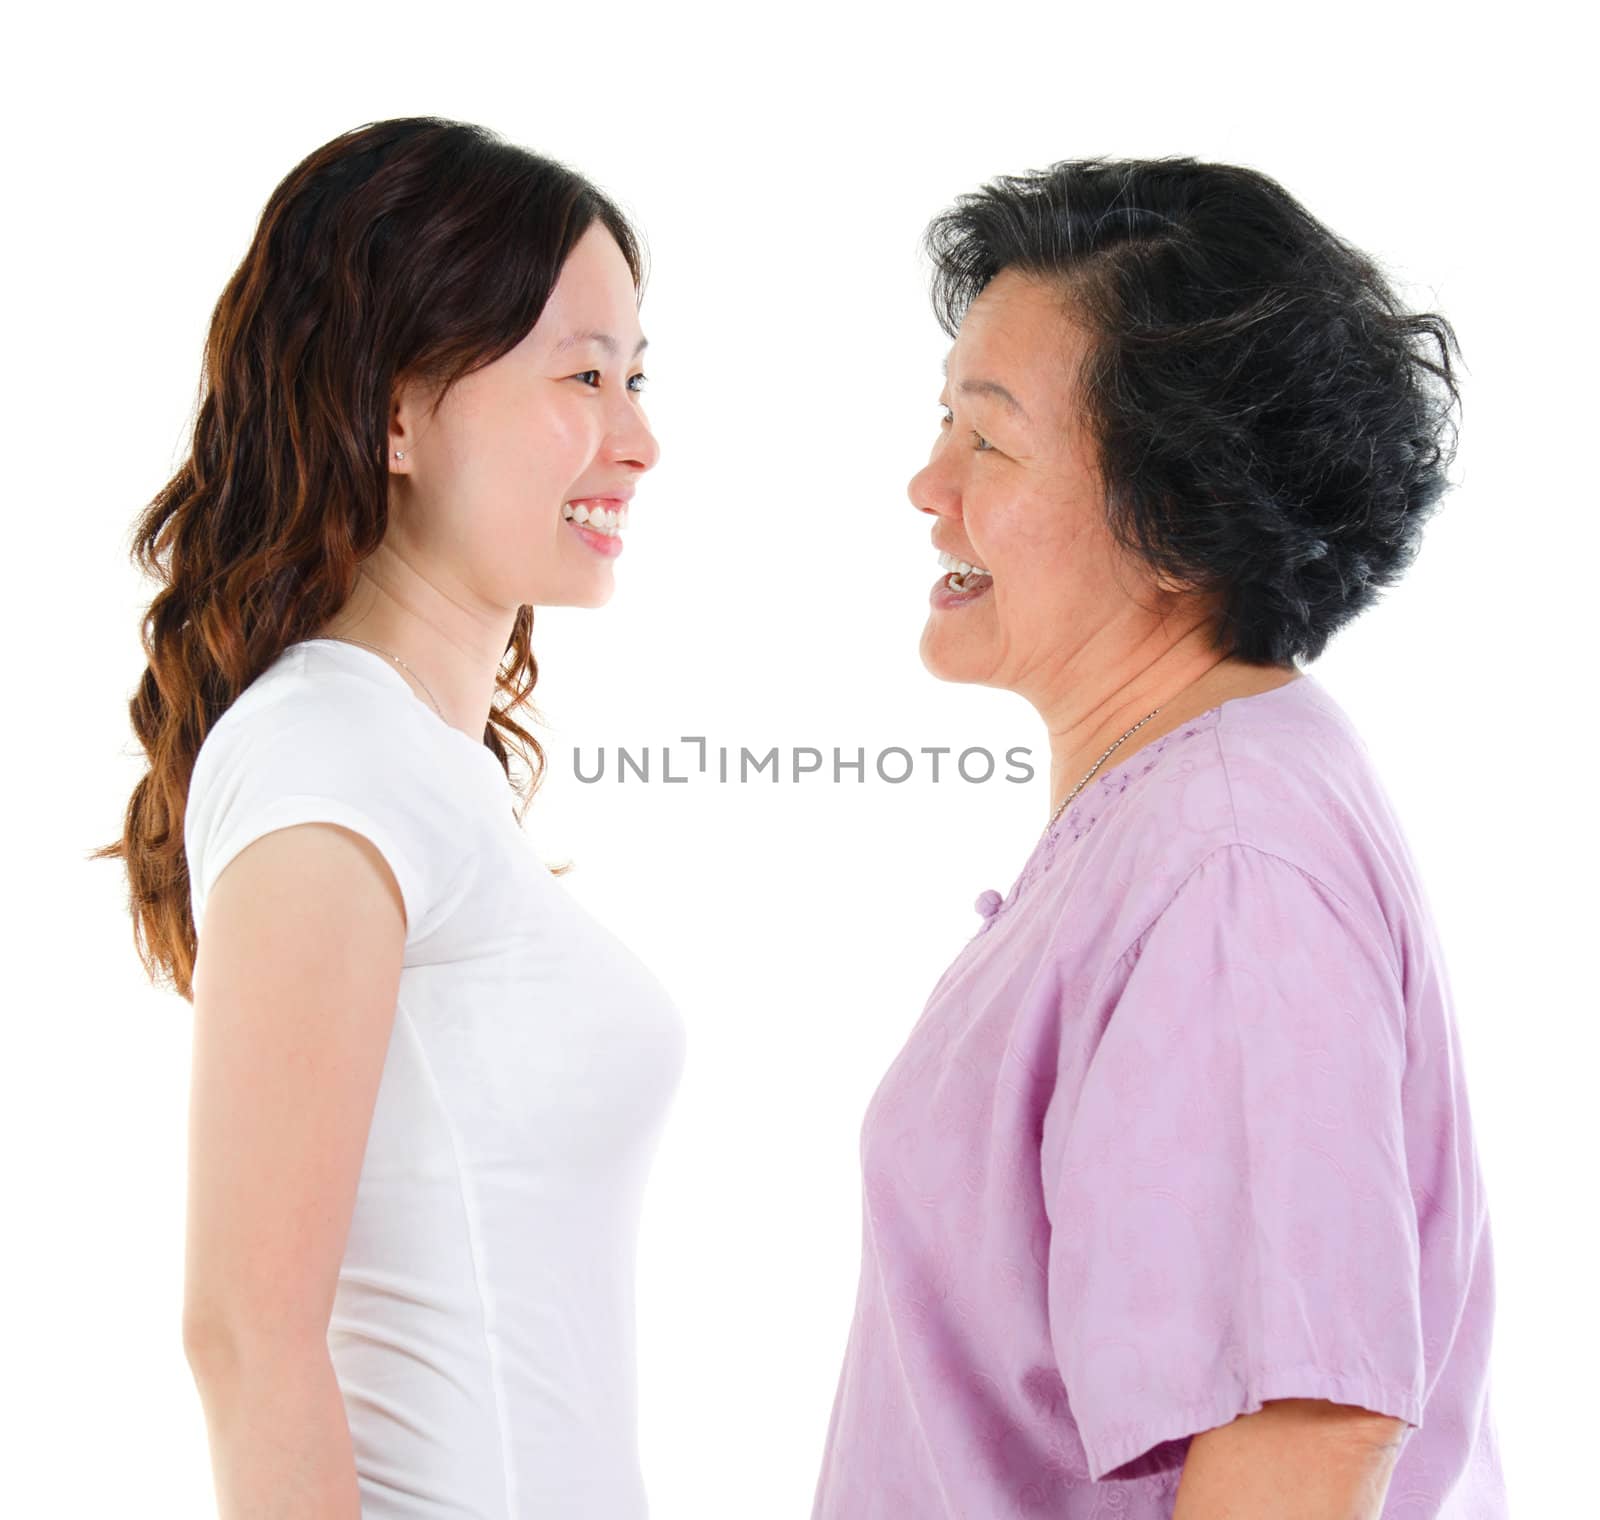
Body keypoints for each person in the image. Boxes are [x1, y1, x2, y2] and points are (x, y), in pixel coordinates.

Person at [810, 158, 1507, 1518]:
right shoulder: (1192, 812)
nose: (927, 484)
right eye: (942, 421)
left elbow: (1300, 1437)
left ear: (1178, 514)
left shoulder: (1230, 869)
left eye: (990, 440)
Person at [96, 117, 684, 1517]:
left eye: (640, 377)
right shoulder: (324, 752)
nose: (640, 439)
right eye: (583, 376)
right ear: (396, 413)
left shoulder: (420, 771)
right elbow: (245, 1333)